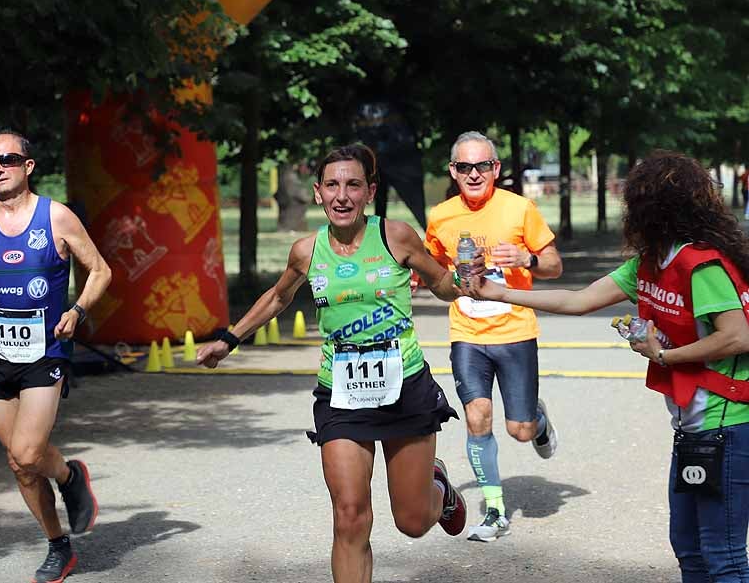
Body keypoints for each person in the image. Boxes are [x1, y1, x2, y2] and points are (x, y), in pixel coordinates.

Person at [468, 150, 749, 581]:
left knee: (722, 556)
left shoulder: (698, 264)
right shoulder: (651, 263)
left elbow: (737, 335)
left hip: (728, 427)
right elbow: (578, 300)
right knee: (690, 549)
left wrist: (664, 355)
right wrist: (496, 292)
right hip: (695, 428)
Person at [197, 143, 467, 583]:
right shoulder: (307, 250)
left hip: (405, 386)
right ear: (318, 192)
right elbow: (278, 297)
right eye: (332, 185)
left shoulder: (395, 236)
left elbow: (440, 283)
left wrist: (468, 284)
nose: (342, 195)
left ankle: (439, 489)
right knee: (349, 515)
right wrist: (229, 340)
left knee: (413, 522)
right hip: (341, 391)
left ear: (369, 192)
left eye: (353, 185)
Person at [0, 131, 112, 583]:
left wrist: (77, 310)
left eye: (8, 160)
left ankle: (71, 477)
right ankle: (59, 544)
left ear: (28, 165)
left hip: (45, 351)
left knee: (27, 449)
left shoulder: (56, 217)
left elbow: (100, 269)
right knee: (20, 464)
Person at [423, 131, 563, 542]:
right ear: (453, 171)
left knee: (518, 429)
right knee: (476, 417)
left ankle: (535, 418)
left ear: (496, 169)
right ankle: (495, 510)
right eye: (464, 167)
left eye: (482, 166)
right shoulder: (441, 216)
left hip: (516, 331)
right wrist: (422, 277)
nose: (473, 174)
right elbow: (433, 268)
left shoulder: (520, 209)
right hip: (467, 333)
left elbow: (554, 265)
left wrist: (527, 258)